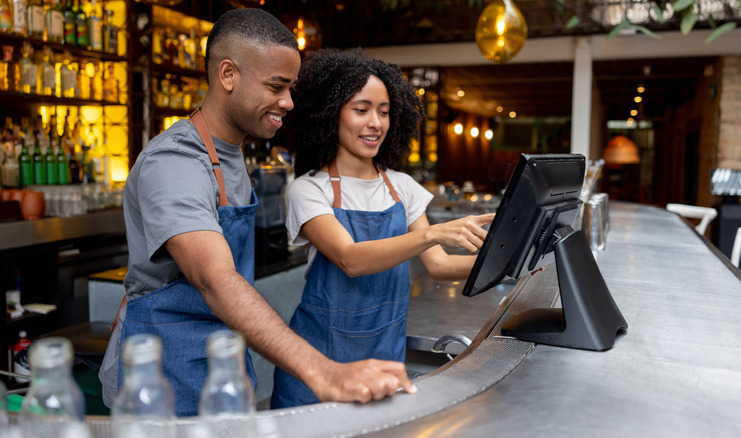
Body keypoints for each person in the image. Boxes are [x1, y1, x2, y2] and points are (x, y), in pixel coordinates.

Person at [99, 9, 415, 417]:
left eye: (291, 87)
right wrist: (322, 371)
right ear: (228, 75)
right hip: (160, 376)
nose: (288, 102)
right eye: (276, 86)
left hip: (221, 364)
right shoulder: (175, 161)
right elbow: (214, 279)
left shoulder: (231, 156)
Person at [271, 48, 495, 408]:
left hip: (386, 359)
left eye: (384, 112)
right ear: (330, 115)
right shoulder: (309, 190)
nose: (375, 122)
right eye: (361, 110)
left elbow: (440, 266)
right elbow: (350, 259)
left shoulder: (401, 186)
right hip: (319, 366)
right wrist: (433, 233)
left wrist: (512, 261)